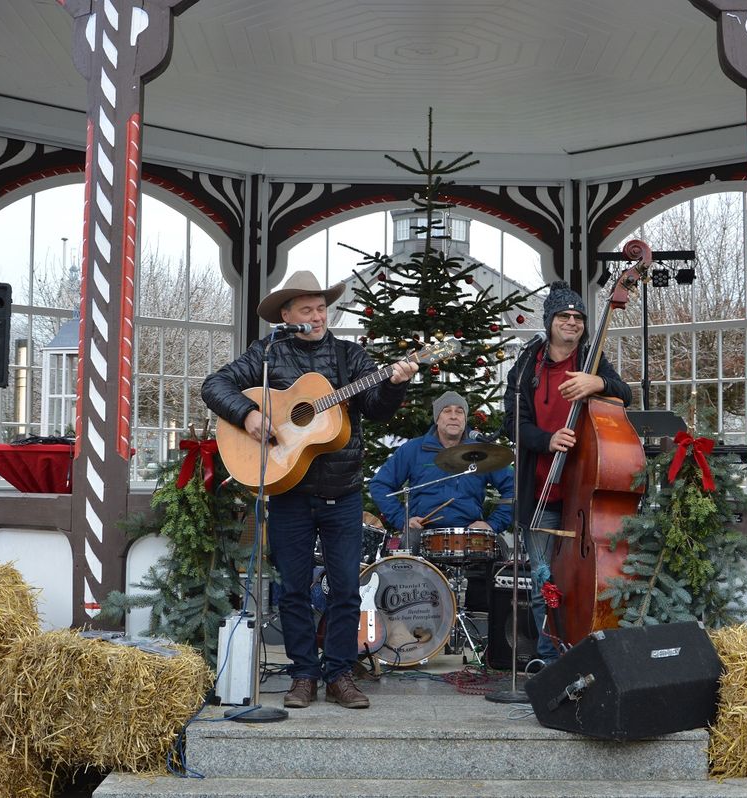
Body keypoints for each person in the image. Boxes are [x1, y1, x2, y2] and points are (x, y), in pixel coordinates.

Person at [202, 270, 418, 710]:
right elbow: (214, 385)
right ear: (287, 315)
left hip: (343, 491)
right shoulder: (268, 352)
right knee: (293, 589)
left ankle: (339, 673)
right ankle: (304, 674)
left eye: (321, 308)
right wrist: (248, 414)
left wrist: (395, 384)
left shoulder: (349, 357)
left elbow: (375, 410)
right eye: (307, 309)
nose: (318, 316)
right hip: (289, 493)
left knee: (344, 589)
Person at [502, 280, 632, 664]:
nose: (572, 322)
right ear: (549, 321)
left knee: (584, 582)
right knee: (547, 583)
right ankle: (550, 661)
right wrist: (546, 440)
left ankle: (587, 656)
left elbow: (625, 393)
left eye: (578, 317)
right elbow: (512, 424)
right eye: (564, 316)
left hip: (584, 493)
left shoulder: (592, 360)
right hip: (541, 491)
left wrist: (600, 382)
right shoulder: (527, 365)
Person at [369, 390, 514, 553]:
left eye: (459, 412)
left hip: (468, 530)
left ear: (465, 419)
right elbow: (379, 485)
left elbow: (514, 487)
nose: (454, 416)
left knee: (499, 548)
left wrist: (492, 524)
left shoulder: (480, 451)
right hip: (423, 531)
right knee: (409, 546)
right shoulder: (413, 449)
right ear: (437, 418)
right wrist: (402, 520)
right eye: (447, 411)